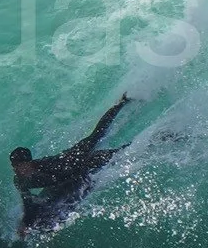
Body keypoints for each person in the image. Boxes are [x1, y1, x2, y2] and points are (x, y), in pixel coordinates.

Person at [12, 93, 138, 236]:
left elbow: (73, 174)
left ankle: (122, 103)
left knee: (102, 140)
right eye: (15, 166)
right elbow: (27, 203)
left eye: (21, 166)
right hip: (67, 172)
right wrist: (26, 224)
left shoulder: (47, 166)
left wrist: (85, 182)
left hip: (78, 160)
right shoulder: (20, 181)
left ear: (30, 163)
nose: (17, 170)